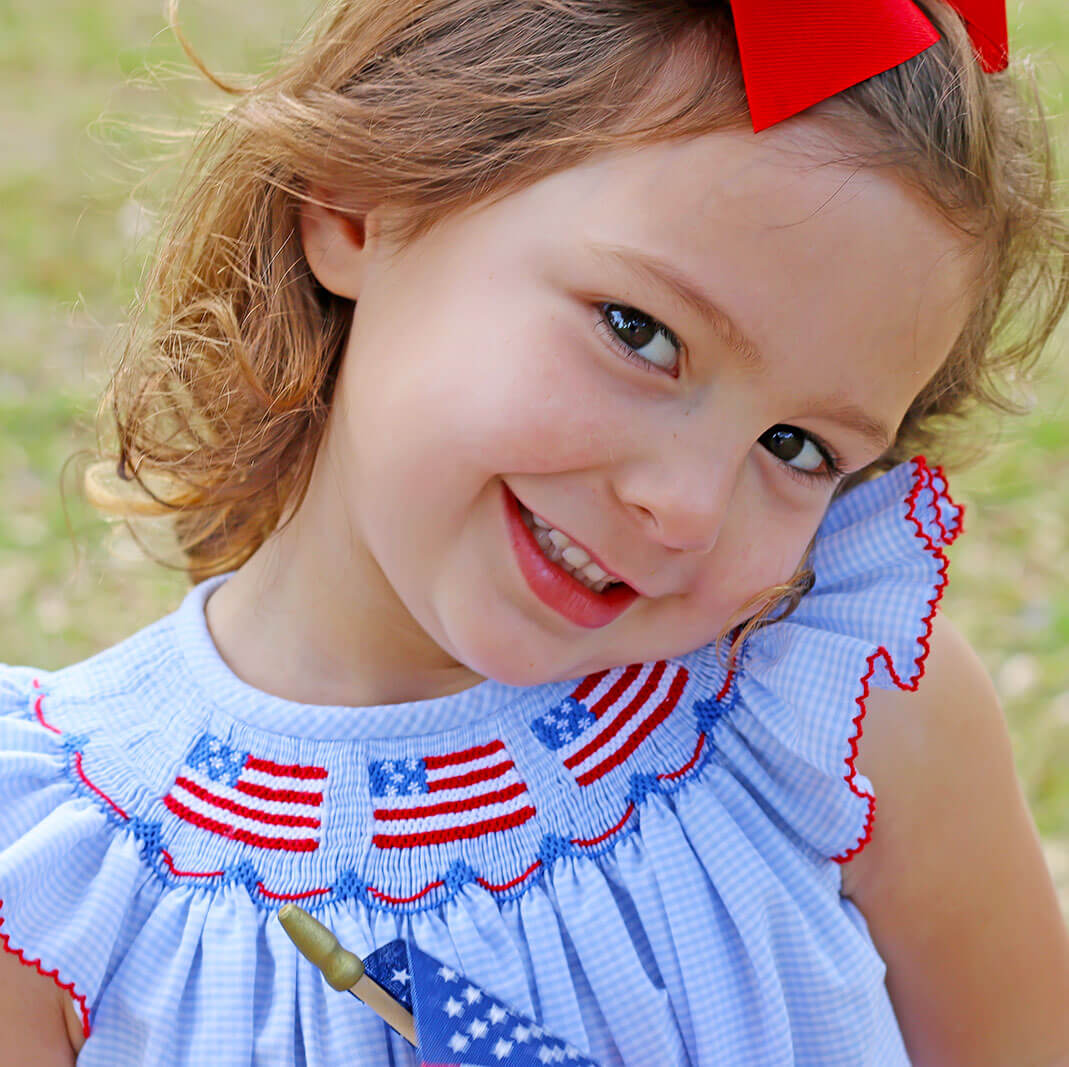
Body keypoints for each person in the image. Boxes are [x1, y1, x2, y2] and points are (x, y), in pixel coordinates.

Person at [2, 0, 1068, 1063]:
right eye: (639, 332)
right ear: (359, 205)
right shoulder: (58, 882)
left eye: (795, 447)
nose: (688, 506)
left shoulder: (846, 727)